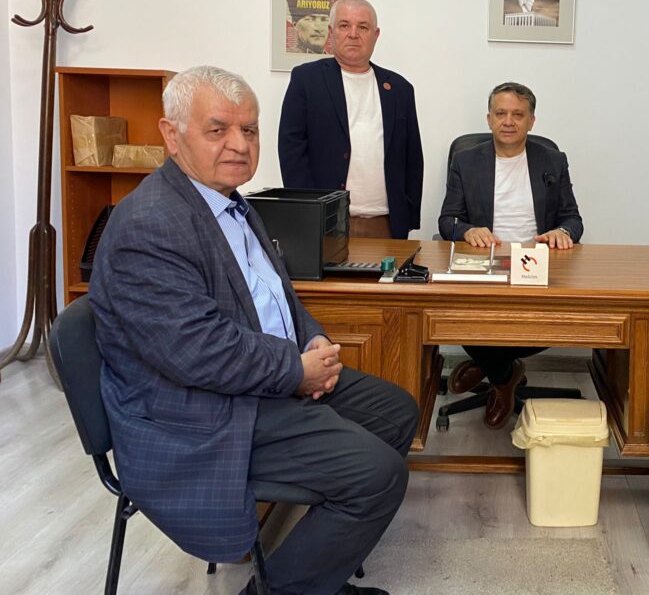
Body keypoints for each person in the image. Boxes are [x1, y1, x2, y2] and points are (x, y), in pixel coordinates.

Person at [89, 66, 418, 595]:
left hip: (253, 379)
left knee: (395, 410)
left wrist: (311, 338)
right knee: (376, 475)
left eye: (249, 130)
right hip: (196, 413)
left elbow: (276, 294)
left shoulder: (232, 202)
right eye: (217, 130)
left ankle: (317, 569)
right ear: (172, 135)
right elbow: (197, 351)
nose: (240, 145)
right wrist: (295, 371)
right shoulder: (150, 223)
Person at [438, 81, 583, 428]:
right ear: (489, 118)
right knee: (457, 312)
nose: (508, 121)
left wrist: (562, 233)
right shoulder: (466, 161)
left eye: (518, 114)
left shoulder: (552, 160)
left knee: (559, 322)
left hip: (536, 264)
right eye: (500, 113)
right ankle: (504, 376)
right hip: (486, 262)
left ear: (531, 121)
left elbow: (573, 219)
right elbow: (447, 221)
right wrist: (466, 231)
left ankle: (488, 364)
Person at [279, 0, 423, 239]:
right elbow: (291, 149)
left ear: (376, 35)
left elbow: (413, 157)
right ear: (331, 32)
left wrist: (408, 216)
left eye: (363, 27)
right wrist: (308, 212)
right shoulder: (307, 80)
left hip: (386, 224)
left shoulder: (400, 89)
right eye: (344, 25)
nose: (353, 34)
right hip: (326, 222)